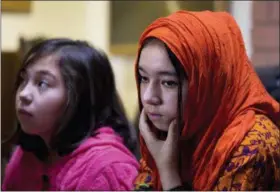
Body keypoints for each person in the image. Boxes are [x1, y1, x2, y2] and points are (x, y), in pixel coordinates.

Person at [133, 10, 280, 191]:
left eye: (168, 83)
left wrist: (168, 173)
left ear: (208, 81)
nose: (149, 97)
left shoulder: (251, 144)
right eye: (143, 78)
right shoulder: (171, 130)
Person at [2, 38, 139, 191]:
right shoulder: (27, 153)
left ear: (80, 97)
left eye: (42, 83)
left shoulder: (108, 170)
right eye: (24, 79)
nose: (24, 94)